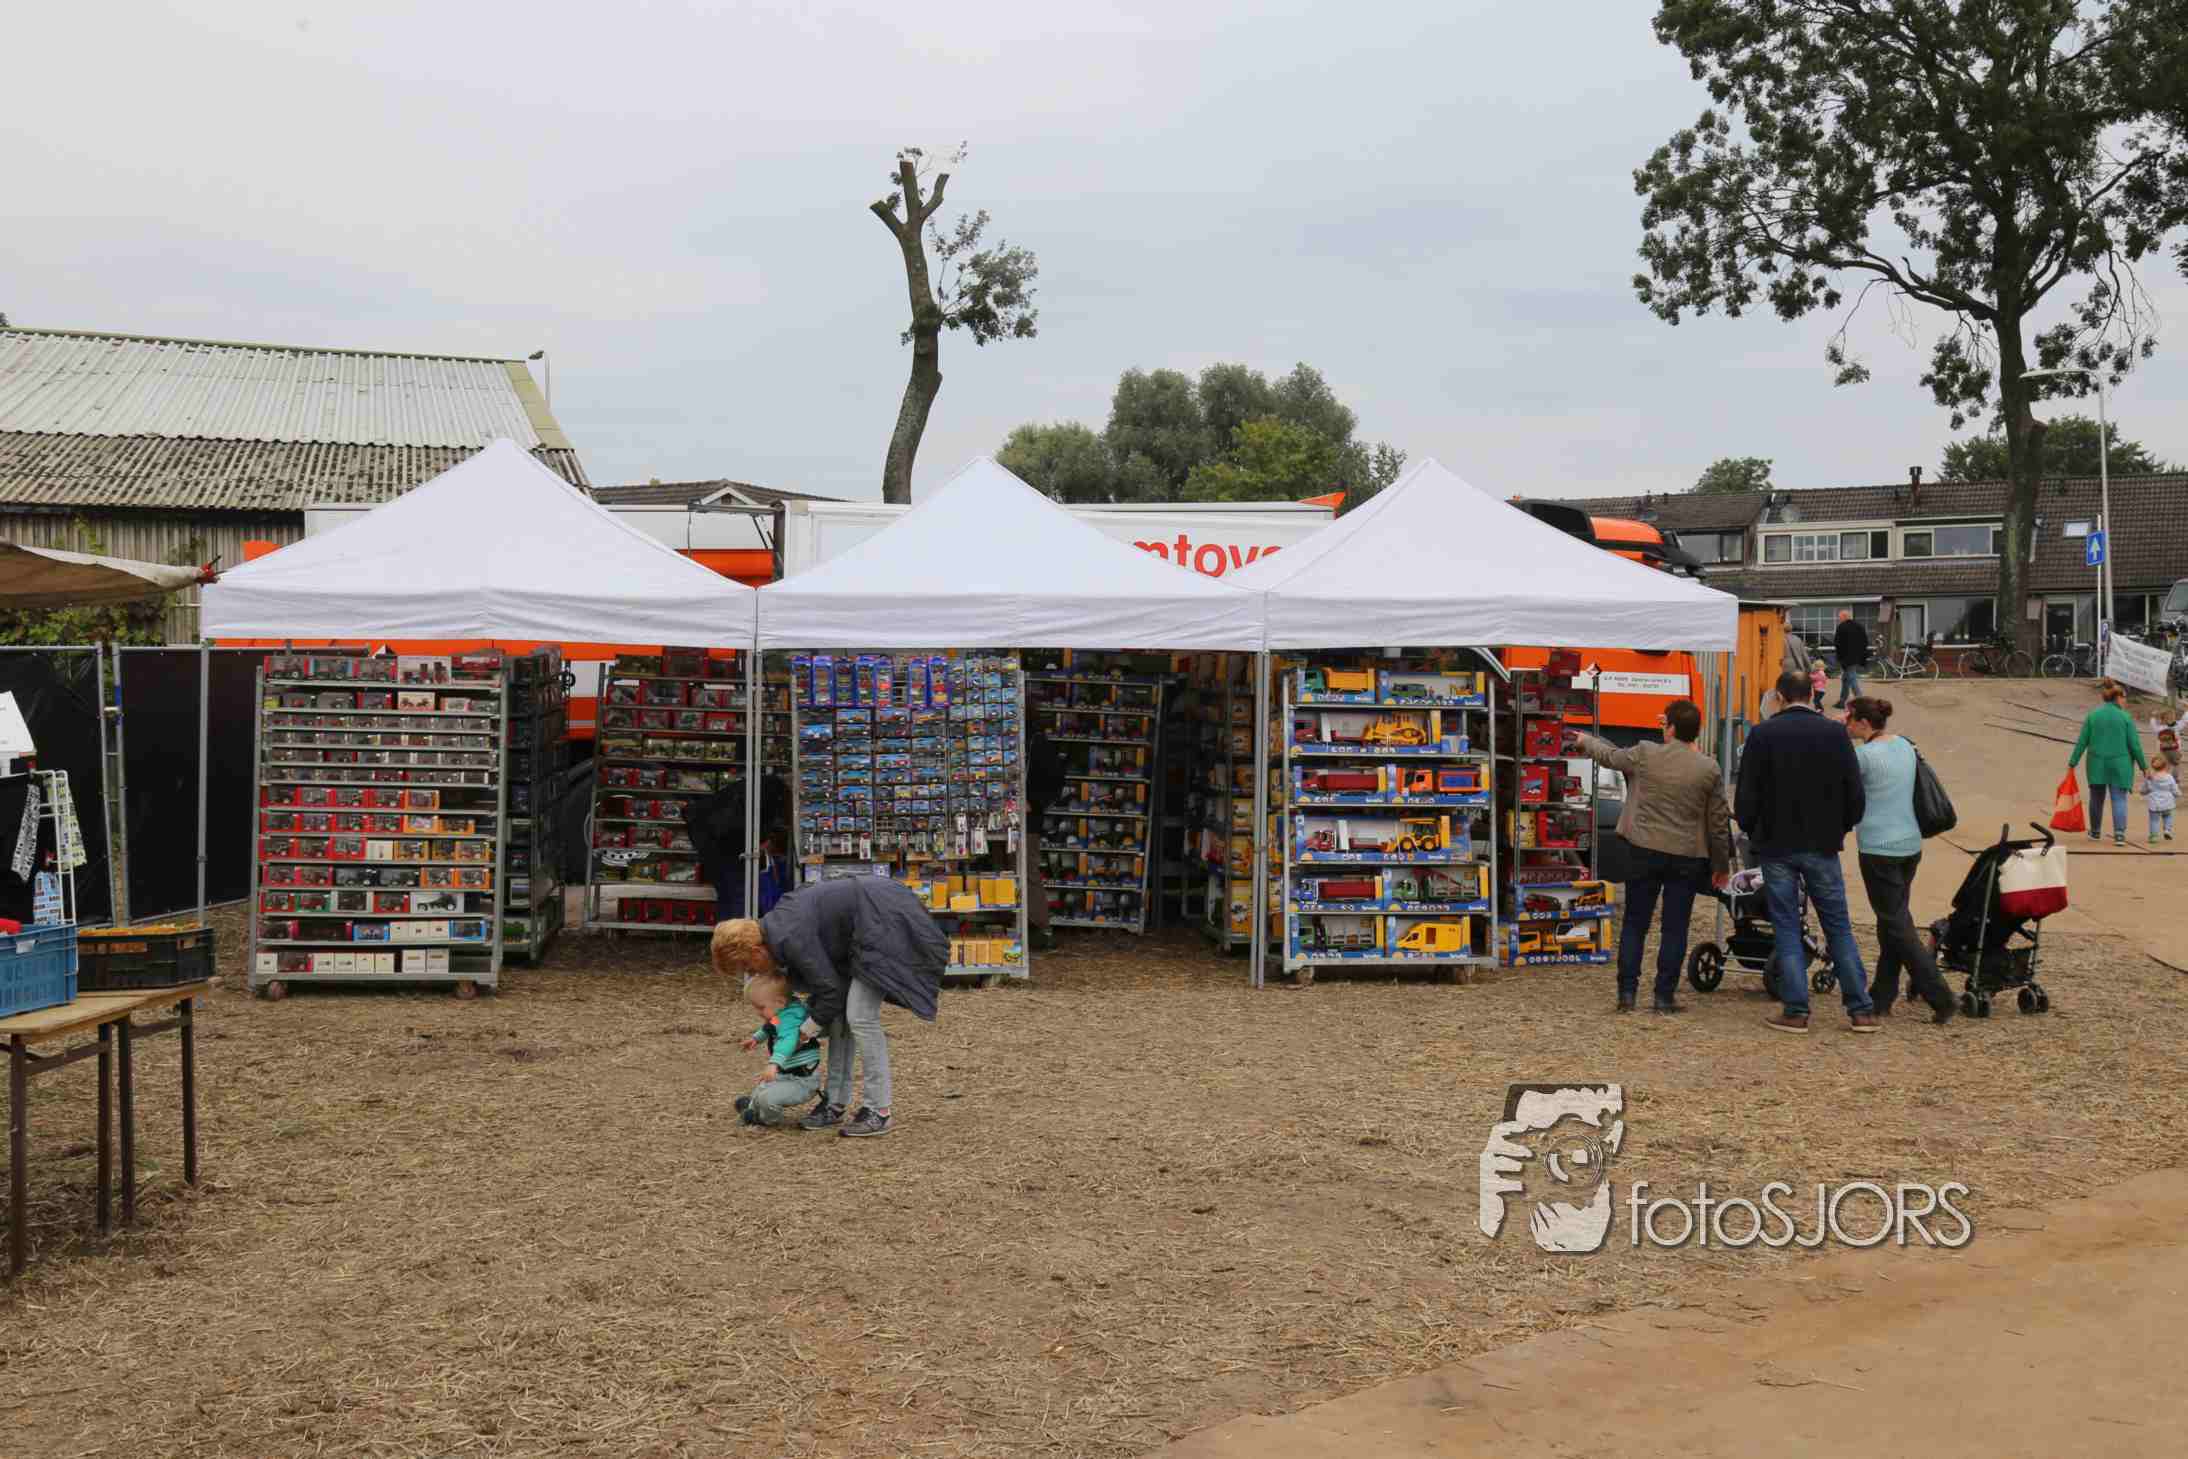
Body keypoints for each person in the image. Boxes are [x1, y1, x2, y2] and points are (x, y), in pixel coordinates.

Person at [710, 875, 947, 1139]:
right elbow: (828, 991)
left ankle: (878, 1110)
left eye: (748, 967)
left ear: (756, 950)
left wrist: (804, 1032)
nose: (754, 973)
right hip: (868, 923)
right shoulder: (778, 928)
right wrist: (808, 1024)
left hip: (885, 920)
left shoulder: (790, 937)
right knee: (839, 1017)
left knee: (861, 1016)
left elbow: (831, 993)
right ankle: (835, 1103)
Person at [1735, 669, 1877, 1034]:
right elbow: (1854, 792)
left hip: (1776, 845)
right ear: (1811, 695)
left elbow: (1746, 795)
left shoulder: (1762, 734)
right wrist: (1840, 827)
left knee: (1786, 926)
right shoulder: (1835, 733)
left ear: (1779, 697)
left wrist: (1754, 830)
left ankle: (1796, 1010)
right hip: (1823, 844)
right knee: (1838, 925)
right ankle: (1861, 1009)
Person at [1566, 699, 1731, 1014]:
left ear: (1669, 728)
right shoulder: (1709, 768)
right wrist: (1721, 865)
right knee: (1675, 927)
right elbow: (1718, 822)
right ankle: (1663, 996)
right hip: (1686, 855)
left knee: (1635, 923)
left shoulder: (1645, 752)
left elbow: (1610, 757)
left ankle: (1627, 993)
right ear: (1698, 731)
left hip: (1642, 849)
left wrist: (1586, 741)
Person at [1844, 697, 1956, 1024]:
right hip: (1909, 844)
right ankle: (1882, 995)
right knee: (1892, 921)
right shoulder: (1905, 745)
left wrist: (1835, 734)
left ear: (1864, 723)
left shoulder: (1863, 756)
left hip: (1879, 847)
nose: (1846, 724)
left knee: (1896, 924)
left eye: (1850, 719)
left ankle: (1940, 996)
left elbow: (1842, 785)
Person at [734, 966, 823, 1126]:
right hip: (787, 1074)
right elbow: (771, 1026)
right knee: (761, 1089)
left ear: (780, 1001)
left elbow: (787, 1040)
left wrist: (774, 1064)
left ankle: (765, 1119)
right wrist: (756, 1038)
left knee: (767, 1098)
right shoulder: (782, 1012)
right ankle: (752, 1105)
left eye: (761, 1007)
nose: (758, 1012)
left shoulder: (792, 1019)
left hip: (802, 1080)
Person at [2067, 681, 2149, 847]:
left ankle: (2095, 832)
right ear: (2117, 697)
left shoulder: (2093, 716)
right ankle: (2119, 835)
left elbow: (2082, 742)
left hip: (2096, 764)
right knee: (2119, 799)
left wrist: (2072, 762)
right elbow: (2134, 745)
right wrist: (2144, 766)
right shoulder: (2125, 718)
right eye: (2124, 697)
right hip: (2120, 764)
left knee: (2096, 799)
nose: (2126, 701)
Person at [1833, 610, 1871, 708]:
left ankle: (1861, 701)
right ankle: (1842, 701)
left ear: (1844, 617)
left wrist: (1840, 658)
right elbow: (1865, 642)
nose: (1839, 619)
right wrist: (1862, 655)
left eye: (1839, 617)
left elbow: (1838, 644)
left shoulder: (1841, 627)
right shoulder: (1859, 626)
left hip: (1846, 658)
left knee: (1851, 677)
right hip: (1857, 657)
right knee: (1845, 678)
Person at [2139, 754, 2178, 842]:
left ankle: (2154, 836)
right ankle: (2167, 830)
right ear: (2165, 766)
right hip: (2168, 802)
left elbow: (2145, 789)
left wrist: (2142, 792)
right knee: (2167, 816)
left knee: (2154, 820)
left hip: (2154, 804)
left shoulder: (2150, 778)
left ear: (2153, 766)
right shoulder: (2169, 777)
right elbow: (2174, 789)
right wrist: (2177, 794)